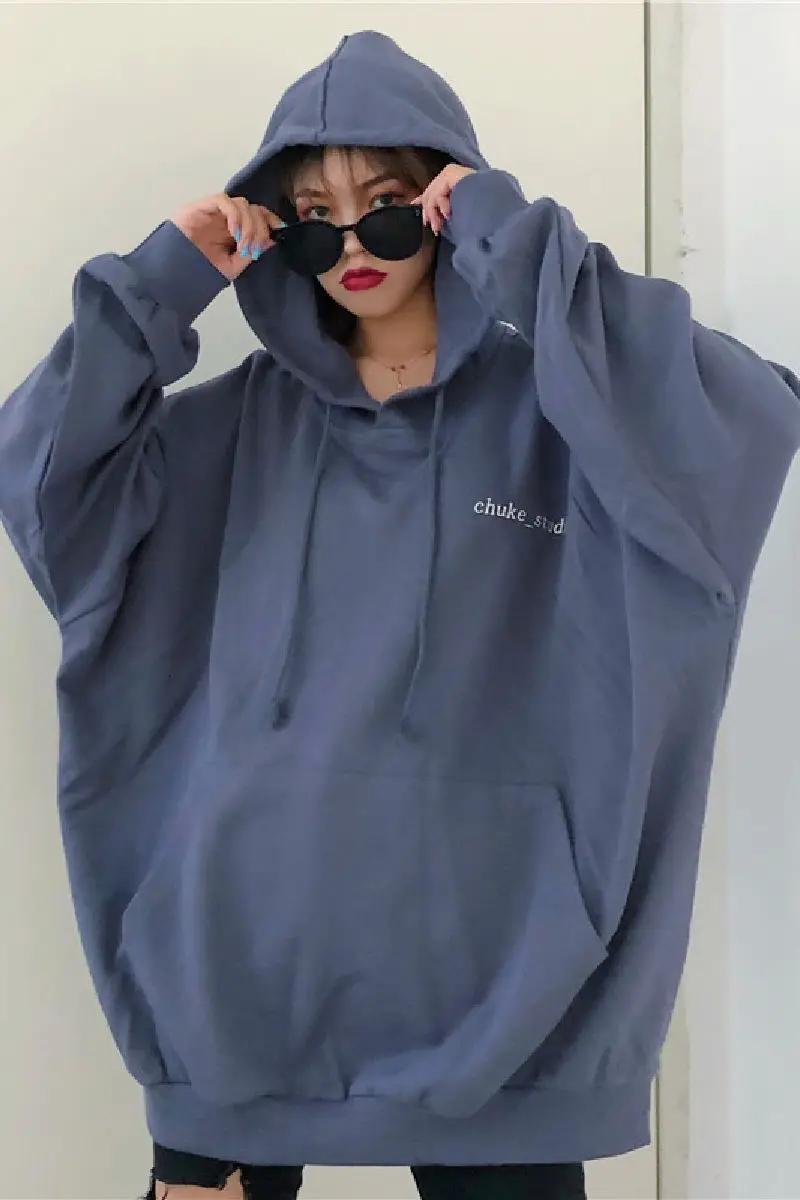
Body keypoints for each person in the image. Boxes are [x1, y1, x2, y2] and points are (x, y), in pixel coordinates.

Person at [1, 28, 799, 1200]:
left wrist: (509, 237)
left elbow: (741, 417)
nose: (350, 246)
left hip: (510, 1000)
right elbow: (38, 476)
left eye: (386, 207)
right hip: (236, 982)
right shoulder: (222, 435)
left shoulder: (572, 424)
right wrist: (163, 279)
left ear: (443, 201)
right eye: (311, 217)